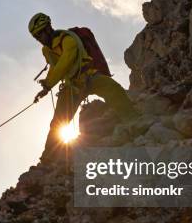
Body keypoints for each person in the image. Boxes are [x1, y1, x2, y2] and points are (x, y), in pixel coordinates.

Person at [29, 12, 138, 164]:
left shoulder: (67, 39)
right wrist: (46, 87)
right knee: (58, 122)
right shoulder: (47, 50)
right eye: (36, 37)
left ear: (48, 28)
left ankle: (135, 122)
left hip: (89, 77)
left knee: (114, 90)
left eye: (40, 34)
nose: (39, 39)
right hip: (72, 86)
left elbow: (66, 60)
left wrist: (49, 84)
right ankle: (48, 158)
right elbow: (55, 68)